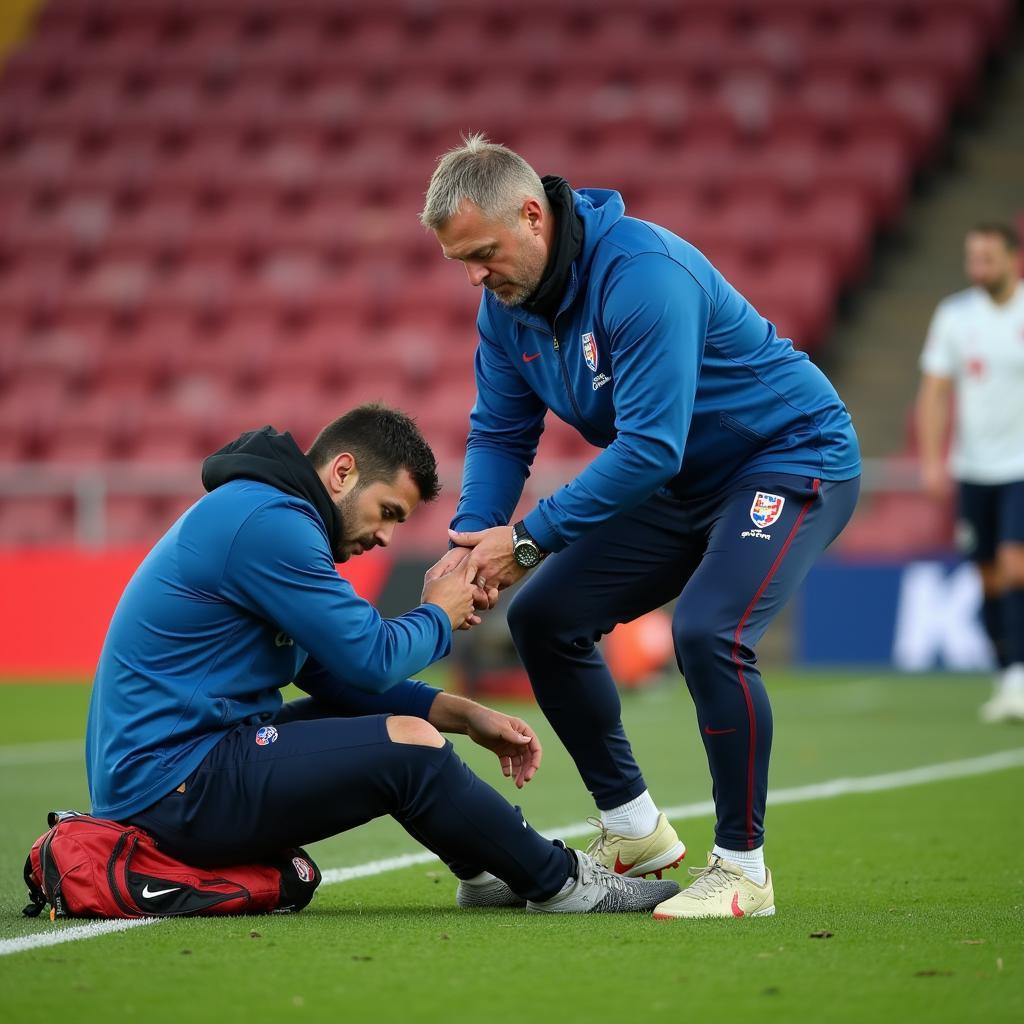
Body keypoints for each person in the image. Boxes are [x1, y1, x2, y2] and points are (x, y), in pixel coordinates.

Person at [420, 135, 861, 920]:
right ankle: (634, 831)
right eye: (462, 263)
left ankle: (743, 870)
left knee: (707, 633)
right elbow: (499, 434)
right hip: (682, 480)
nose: (475, 277)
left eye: (483, 253)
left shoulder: (641, 275)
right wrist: (469, 542)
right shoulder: (506, 305)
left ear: (532, 215)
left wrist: (525, 541)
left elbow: (651, 447)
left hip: (786, 457)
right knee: (549, 618)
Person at [85, 404, 680, 915]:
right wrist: (439, 614)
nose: (387, 537)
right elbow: (370, 659)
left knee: (407, 731)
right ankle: (562, 882)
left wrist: (459, 712)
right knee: (407, 749)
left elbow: (335, 676)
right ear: (342, 472)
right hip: (172, 790)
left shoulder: (266, 513)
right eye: (388, 511)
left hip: (177, 775)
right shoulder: (272, 525)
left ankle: (486, 872)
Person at [916, 222, 1024, 722]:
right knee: (987, 578)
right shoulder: (956, 315)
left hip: (1020, 465)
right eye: (972, 258)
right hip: (974, 467)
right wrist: (934, 458)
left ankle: (1019, 678)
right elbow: (935, 391)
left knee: (1014, 564)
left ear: (1013, 259)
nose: (978, 268)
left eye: (988, 258)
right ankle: (1006, 676)